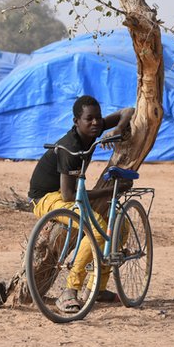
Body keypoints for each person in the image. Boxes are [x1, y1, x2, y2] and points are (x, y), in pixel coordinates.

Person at [27, 95, 134, 313]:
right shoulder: (70, 147)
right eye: (89, 119)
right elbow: (68, 195)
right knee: (97, 230)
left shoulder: (95, 127)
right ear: (76, 121)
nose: (95, 123)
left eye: (98, 118)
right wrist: (110, 191)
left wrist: (117, 129)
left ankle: (98, 287)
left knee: (119, 228)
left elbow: (128, 110)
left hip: (67, 192)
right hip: (47, 197)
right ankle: (70, 290)